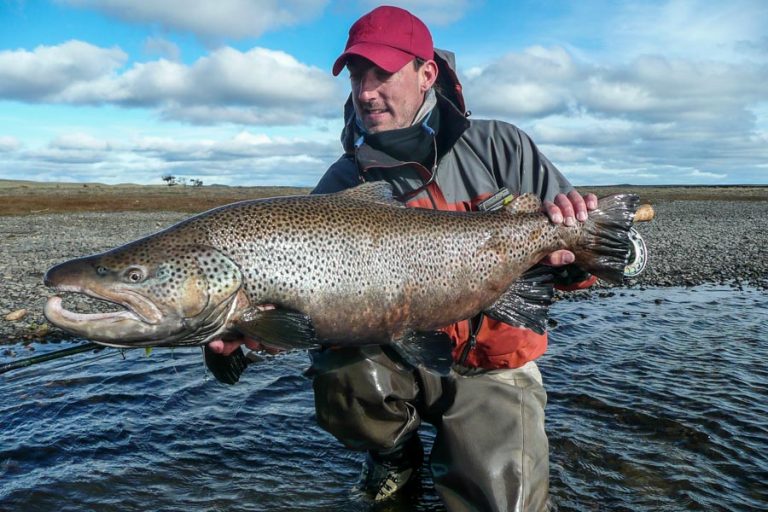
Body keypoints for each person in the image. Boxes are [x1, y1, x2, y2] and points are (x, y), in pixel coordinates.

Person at [209, 6, 597, 511]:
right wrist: (253, 334)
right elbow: (300, 304)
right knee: (339, 367)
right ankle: (392, 452)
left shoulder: (502, 146)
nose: (365, 91)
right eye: (356, 76)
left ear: (426, 73)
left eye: (381, 74)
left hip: (491, 362)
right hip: (392, 353)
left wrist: (573, 264)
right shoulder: (343, 182)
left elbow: (604, 260)